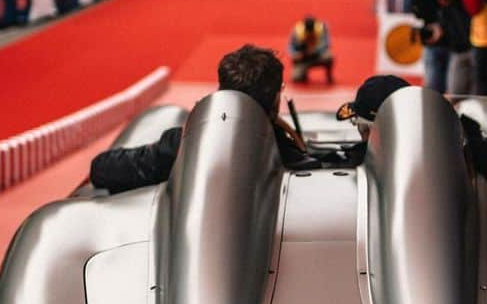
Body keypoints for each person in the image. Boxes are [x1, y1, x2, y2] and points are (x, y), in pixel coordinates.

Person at [89, 45, 313, 193]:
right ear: (275, 99)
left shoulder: (184, 145)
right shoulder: (284, 148)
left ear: (222, 92)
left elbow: (101, 169)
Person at [288, 15, 333, 83]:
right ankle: (303, 73)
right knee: (296, 77)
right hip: (303, 59)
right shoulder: (296, 31)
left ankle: (329, 76)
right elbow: (290, 48)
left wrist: (314, 50)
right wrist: (295, 54)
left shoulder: (322, 28)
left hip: (318, 56)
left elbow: (327, 44)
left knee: (328, 56)